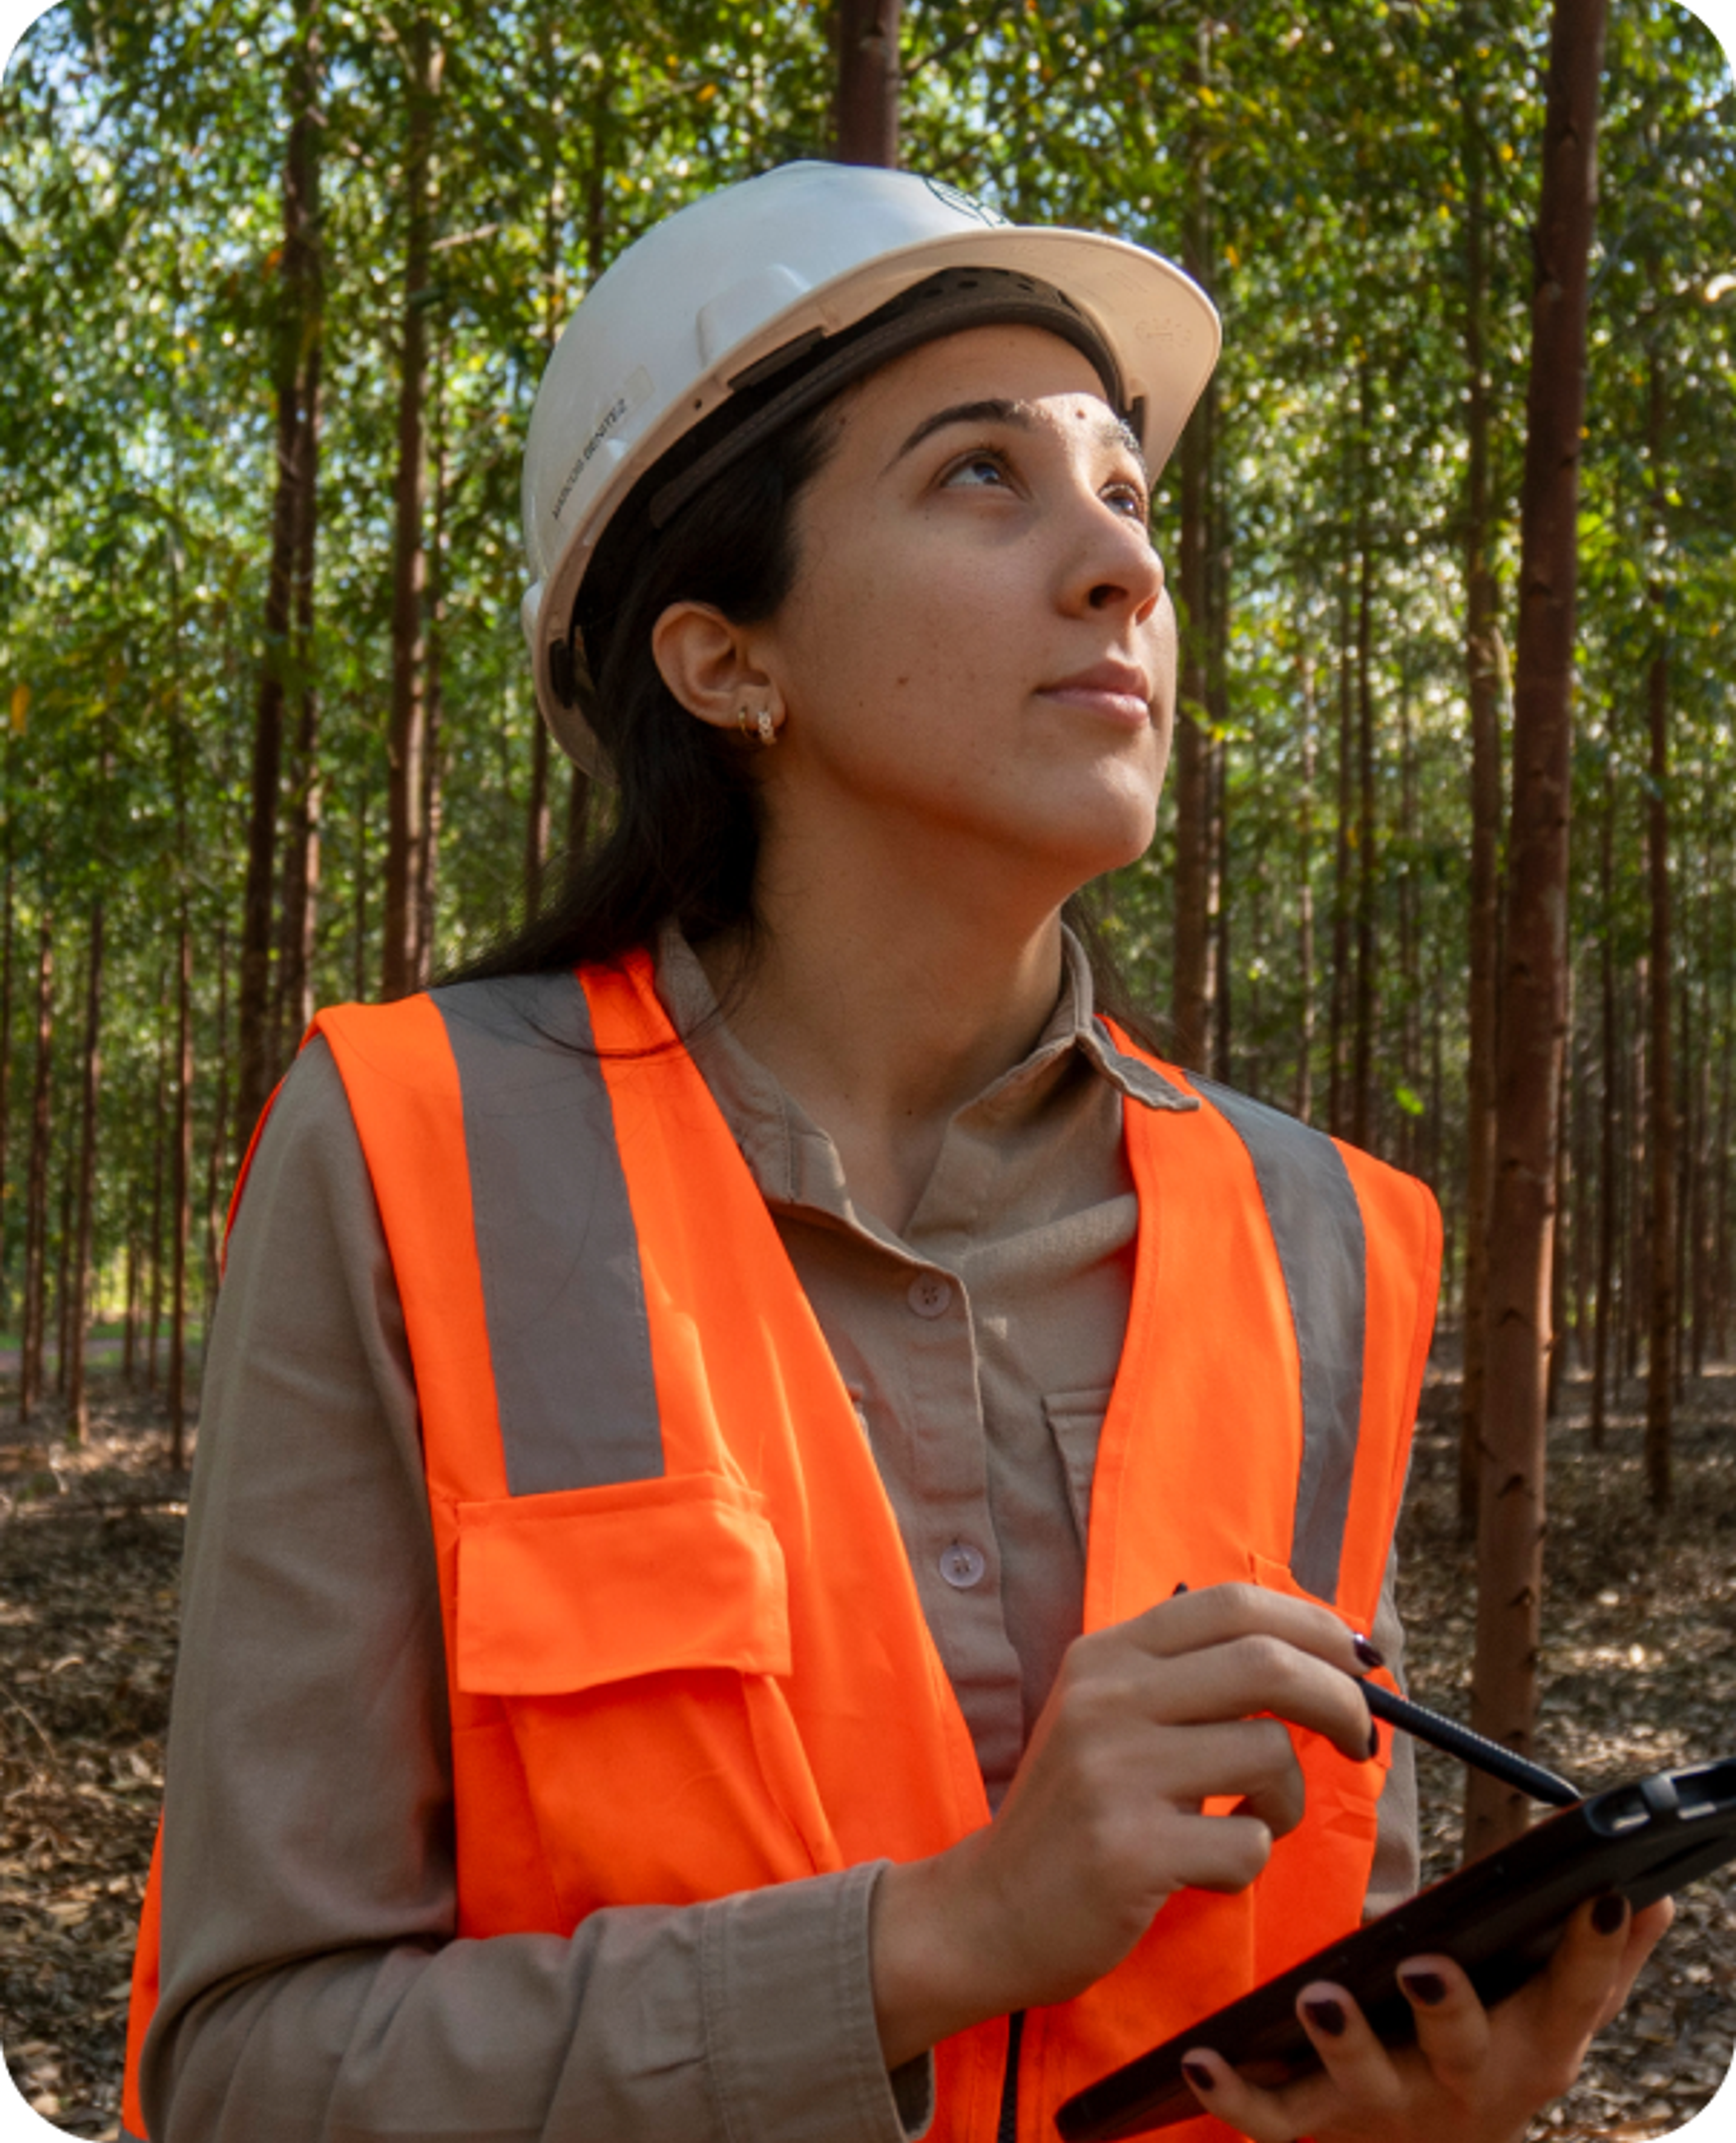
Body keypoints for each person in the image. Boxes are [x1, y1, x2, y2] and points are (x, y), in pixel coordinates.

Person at [123, 162, 1668, 2143]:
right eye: (981, 479)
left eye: (1127, 494)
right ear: (720, 659)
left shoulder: (1324, 1235)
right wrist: (936, 1939)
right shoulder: (419, 1146)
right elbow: (249, 2075)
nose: (1120, 565)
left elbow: (1284, 1968)